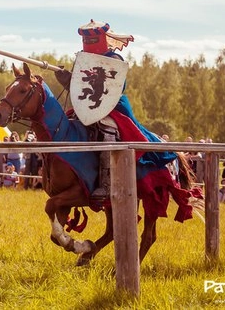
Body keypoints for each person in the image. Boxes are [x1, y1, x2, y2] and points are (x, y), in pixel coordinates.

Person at [55, 19, 179, 201]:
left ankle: (106, 184)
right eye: (85, 40)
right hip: (89, 106)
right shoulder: (83, 58)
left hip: (113, 106)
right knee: (65, 127)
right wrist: (68, 81)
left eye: (91, 39)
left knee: (109, 132)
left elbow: (115, 87)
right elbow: (81, 88)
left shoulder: (113, 59)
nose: (88, 43)